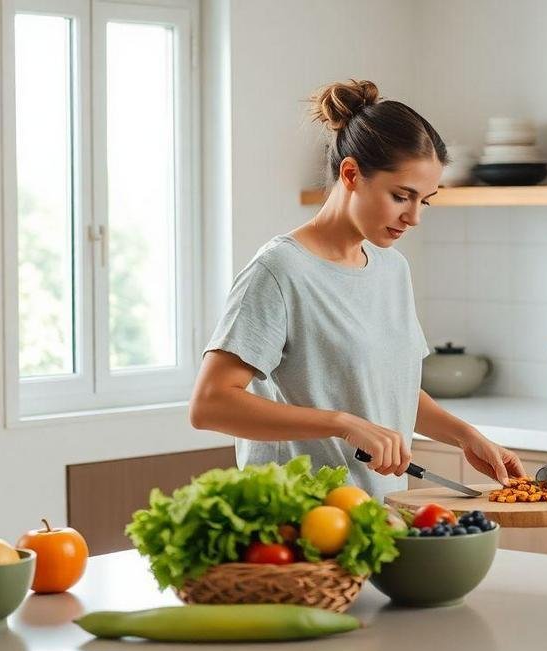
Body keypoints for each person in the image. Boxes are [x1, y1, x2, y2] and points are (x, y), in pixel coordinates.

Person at [189, 79, 525, 501]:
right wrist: (341, 424)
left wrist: (464, 435)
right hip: (297, 522)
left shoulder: (391, 269)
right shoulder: (279, 271)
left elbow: (388, 388)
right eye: (402, 196)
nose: (414, 217)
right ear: (350, 174)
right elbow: (210, 404)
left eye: (426, 200)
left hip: (377, 516)